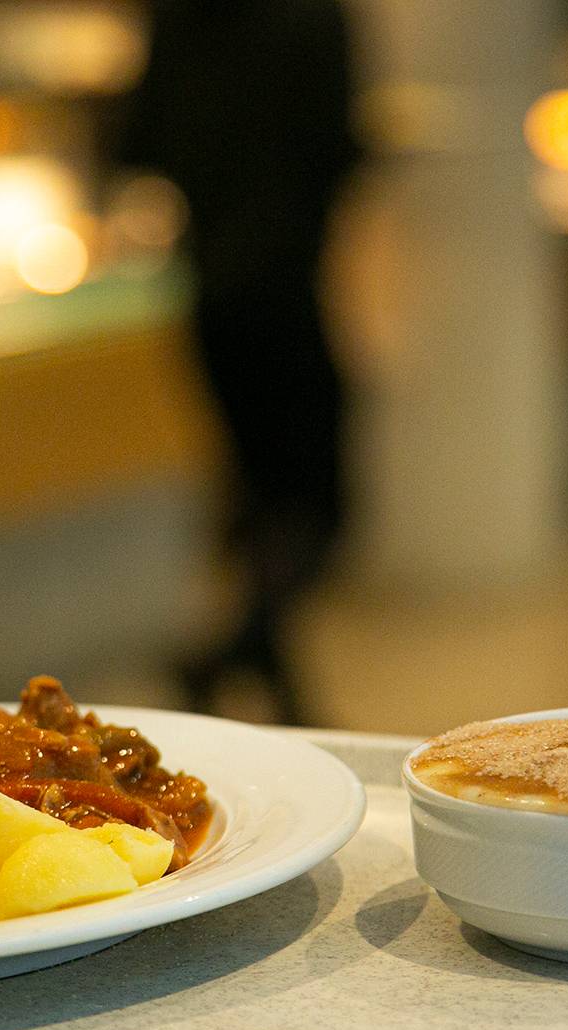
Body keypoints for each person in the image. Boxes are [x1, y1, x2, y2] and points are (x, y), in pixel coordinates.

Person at [116, 0, 360, 726]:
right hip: (289, 289)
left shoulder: (177, 19)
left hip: (209, 293)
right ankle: (232, 654)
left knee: (255, 500)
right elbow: (339, 146)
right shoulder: (314, 19)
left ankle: (268, 683)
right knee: (324, 504)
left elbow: (138, 143)